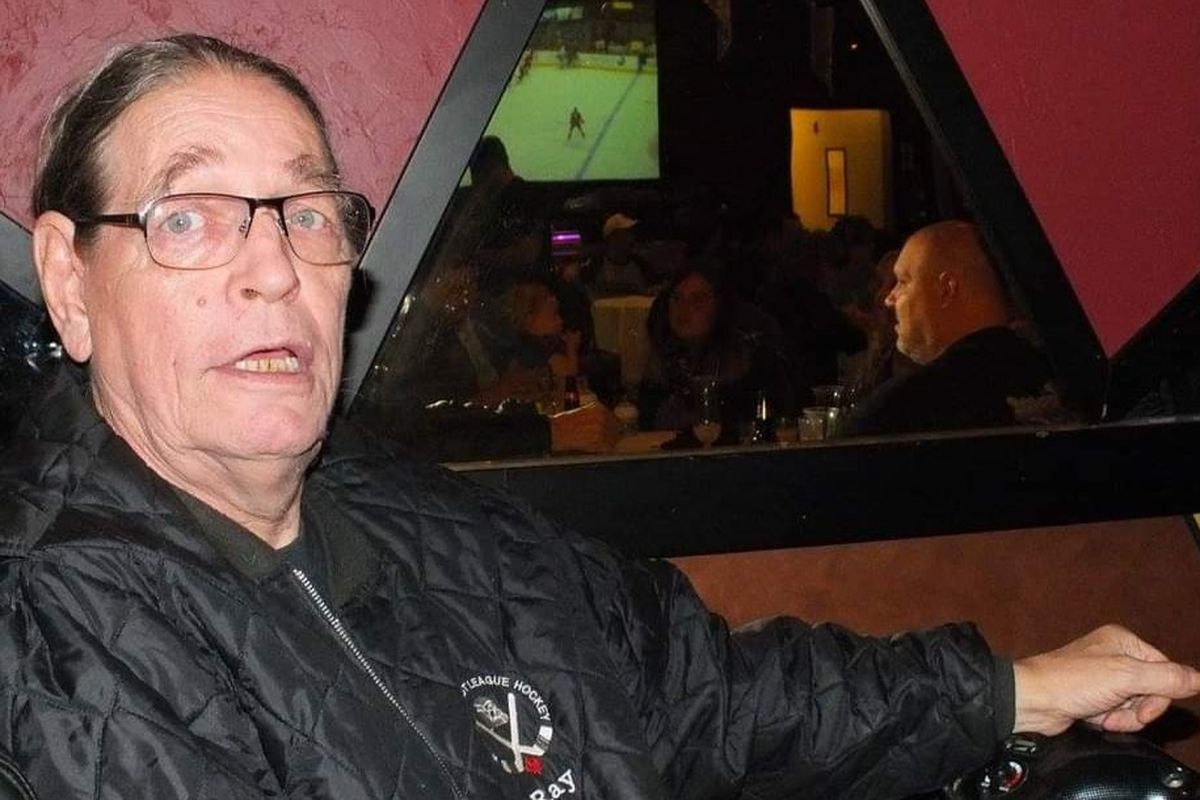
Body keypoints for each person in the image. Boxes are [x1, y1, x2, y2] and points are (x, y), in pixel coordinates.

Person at [3, 34, 1198, 800]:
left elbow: (701, 689)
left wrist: (1008, 688)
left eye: (307, 214)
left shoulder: (423, 520)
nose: (274, 269)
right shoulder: (49, 628)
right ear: (69, 279)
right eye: (191, 217)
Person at [845, 221, 1058, 437]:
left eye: (902, 281)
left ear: (946, 289)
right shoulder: (1059, 380)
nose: (889, 299)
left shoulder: (900, 414)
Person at [639, 267, 795, 443]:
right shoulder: (664, 360)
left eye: (697, 299)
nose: (683, 308)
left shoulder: (751, 364)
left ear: (719, 307)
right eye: (676, 298)